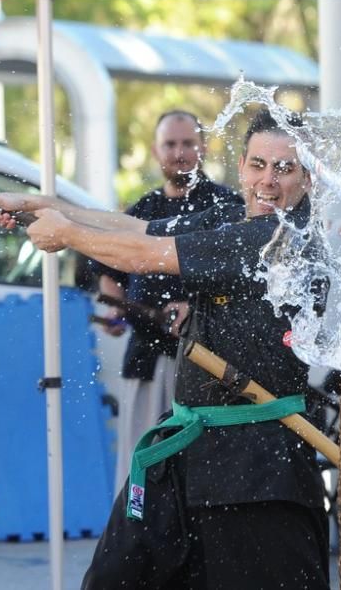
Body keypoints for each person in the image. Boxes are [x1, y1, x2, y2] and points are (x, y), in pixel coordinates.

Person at [0, 108, 329, 590]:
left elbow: (148, 258)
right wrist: (36, 205)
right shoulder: (234, 214)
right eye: (257, 165)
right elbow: (139, 231)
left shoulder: (281, 239)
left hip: (259, 470)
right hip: (187, 452)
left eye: (284, 169)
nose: (267, 182)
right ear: (242, 165)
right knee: (113, 580)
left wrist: (67, 235)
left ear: (308, 178)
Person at [95, 109, 240, 495]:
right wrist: (115, 306)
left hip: (210, 367)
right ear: (156, 151)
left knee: (203, 480)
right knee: (142, 474)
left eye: (188, 143)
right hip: (147, 359)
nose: (180, 153)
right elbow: (109, 269)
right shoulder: (141, 211)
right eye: (170, 144)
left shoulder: (227, 207)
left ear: (203, 146)